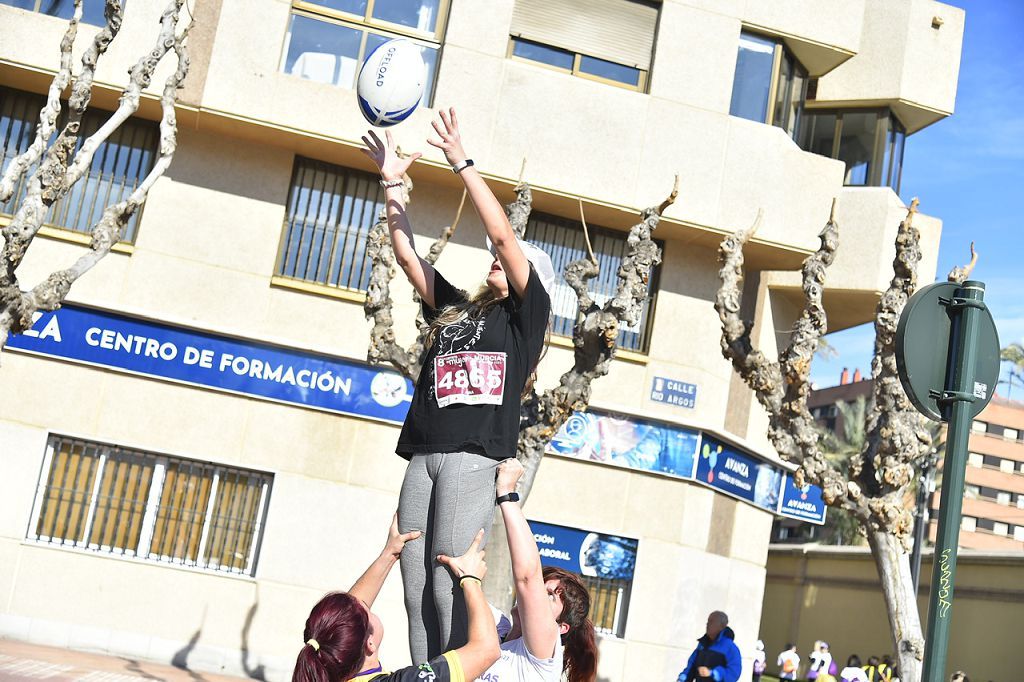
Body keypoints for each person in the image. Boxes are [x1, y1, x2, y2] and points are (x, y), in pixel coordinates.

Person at [361, 108, 554, 664]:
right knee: (413, 580)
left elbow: (499, 230)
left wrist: (461, 163)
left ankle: (455, 674)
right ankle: (425, 674)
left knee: (450, 578)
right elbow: (404, 253)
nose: (497, 255)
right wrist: (393, 184)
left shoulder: (525, 316)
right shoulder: (456, 308)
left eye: (509, 257)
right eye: (495, 256)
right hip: (424, 456)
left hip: (473, 458)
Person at [292, 516, 499, 682]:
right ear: (369, 644)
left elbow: (348, 616)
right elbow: (487, 650)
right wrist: (471, 579)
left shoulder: (328, 668)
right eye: (367, 610)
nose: (365, 602)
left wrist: (389, 554)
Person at [477, 458, 599, 682]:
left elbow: (527, 577)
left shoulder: (546, 651)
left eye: (550, 596)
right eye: (543, 586)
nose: (539, 593)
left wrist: (507, 493)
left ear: (561, 627)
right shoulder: (499, 626)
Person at [677, 611, 742, 682]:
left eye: (712, 622)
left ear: (721, 626)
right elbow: (692, 666)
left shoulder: (730, 648)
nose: (707, 624)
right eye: (708, 621)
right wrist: (683, 677)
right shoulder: (702, 645)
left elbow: (734, 673)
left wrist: (713, 673)